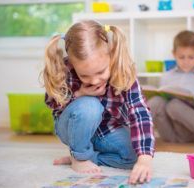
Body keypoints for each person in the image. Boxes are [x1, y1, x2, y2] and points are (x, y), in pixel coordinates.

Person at [43, 20, 155, 184]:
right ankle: (80, 156)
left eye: (100, 72)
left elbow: (139, 111)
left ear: (110, 54)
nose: (94, 81)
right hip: (71, 127)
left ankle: (86, 155)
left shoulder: (123, 69)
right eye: (84, 76)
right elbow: (51, 102)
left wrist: (144, 158)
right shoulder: (65, 69)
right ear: (73, 64)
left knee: (134, 155)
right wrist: (80, 93)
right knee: (90, 106)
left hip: (105, 130)